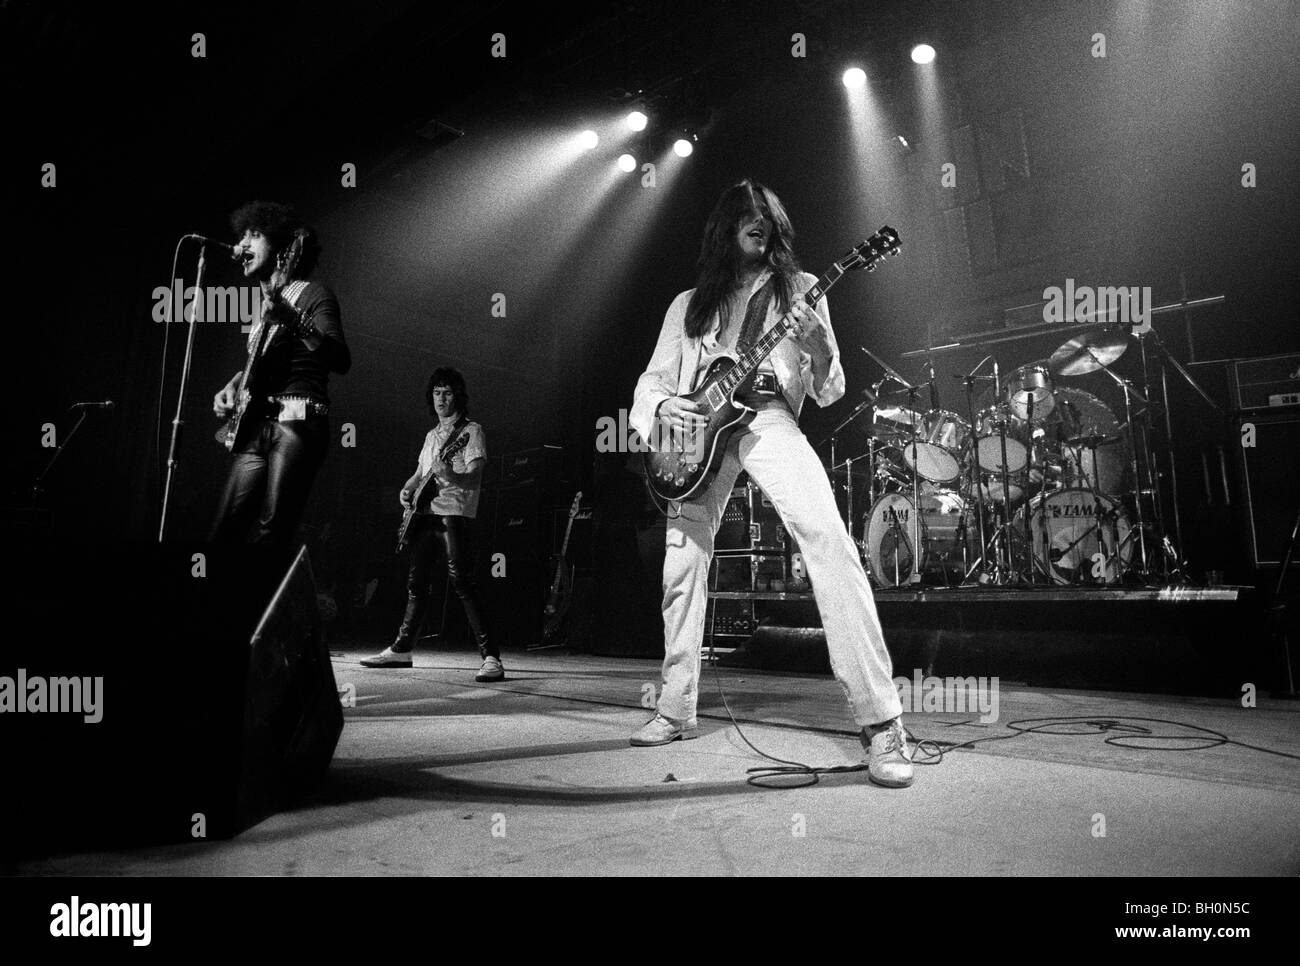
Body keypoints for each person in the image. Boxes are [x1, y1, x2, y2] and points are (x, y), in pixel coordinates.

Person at [628, 179, 912, 787]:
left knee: (829, 541)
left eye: (768, 215)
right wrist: (662, 410)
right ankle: (675, 707)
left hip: (767, 417)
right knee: (682, 569)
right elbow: (651, 379)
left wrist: (821, 345)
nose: (758, 221)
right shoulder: (688, 304)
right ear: (725, 226)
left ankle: (882, 721)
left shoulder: (803, 289)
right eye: (746, 214)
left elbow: (829, 388)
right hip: (694, 437)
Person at [211, 201, 350, 551]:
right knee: (223, 531)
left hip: (297, 424)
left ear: (281, 247)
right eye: (241, 236)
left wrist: (294, 319)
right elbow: (265, 364)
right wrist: (234, 385)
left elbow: (340, 358)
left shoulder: (314, 293)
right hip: (256, 427)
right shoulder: (261, 312)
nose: (243, 245)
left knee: (270, 533)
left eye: (254, 236)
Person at [361, 367, 503, 682]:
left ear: (458, 396)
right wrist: (406, 489)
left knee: (463, 581)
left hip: (456, 512)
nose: (441, 398)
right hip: (425, 514)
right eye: (437, 392)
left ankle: (491, 656)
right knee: (416, 582)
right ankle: (402, 648)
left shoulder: (472, 430)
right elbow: (420, 473)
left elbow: (477, 475)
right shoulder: (430, 436)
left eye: (447, 392)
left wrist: (452, 476)